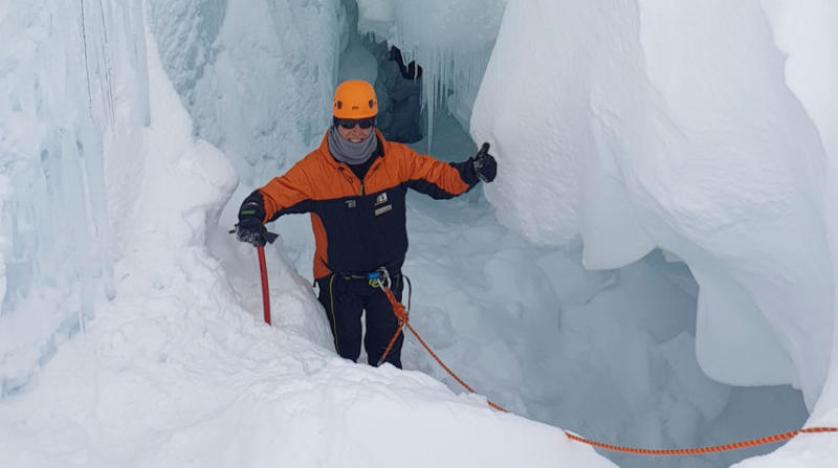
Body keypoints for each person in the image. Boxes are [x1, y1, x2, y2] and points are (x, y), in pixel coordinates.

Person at [235, 80, 497, 368]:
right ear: (336, 122)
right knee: (338, 360)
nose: (356, 133)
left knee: (387, 363)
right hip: (339, 283)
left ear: (374, 122)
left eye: (364, 123)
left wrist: (472, 171)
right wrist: (252, 212)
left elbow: (440, 178)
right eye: (348, 124)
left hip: (385, 279)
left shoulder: (396, 160)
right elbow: (275, 195)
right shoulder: (315, 171)